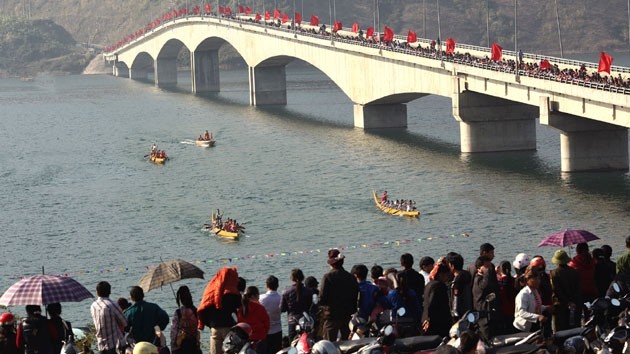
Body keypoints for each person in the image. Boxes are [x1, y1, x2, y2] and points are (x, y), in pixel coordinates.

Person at [198, 267, 242, 354]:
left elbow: (203, 308)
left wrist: (210, 324)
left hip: (215, 328)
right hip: (229, 328)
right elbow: (240, 310)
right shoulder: (233, 293)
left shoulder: (210, 291)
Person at [319, 248, 358, 341]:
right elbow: (355, 295)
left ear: (331, 263)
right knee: (347, 343)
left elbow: (322, 298)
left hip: (332, 315)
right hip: (347, 314)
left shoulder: (328, 277)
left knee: (329, 343)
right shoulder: (350, 277)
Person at [91, 281, 128, 354]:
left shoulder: (93, 306)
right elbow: (124, 322)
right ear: (109, 292)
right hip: (114, 344)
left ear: (97, 292)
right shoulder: (112, 305)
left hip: (101, 344)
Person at [550, 249, 581, 331]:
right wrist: (572, 301)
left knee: (561, 330)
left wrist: (567, 302)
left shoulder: (553, 273)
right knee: (574, 328)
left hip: (560, 305)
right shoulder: (574, 272)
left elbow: (556, 291)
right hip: (574, 304)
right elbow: (578, 289)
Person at [513, 268, 548, 335]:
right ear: (527, 280)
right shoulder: (524, 294)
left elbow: (535, 306)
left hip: (533, 325)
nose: (538, 281)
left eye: (538, 279)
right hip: (522, 328)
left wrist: (546, 307)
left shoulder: (535, 291)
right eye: (535, 279)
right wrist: (538, 317)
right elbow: (522, 312)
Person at [281, 269, 312, 339]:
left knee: (292, 344)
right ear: (303, 277)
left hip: (292, 321)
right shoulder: (308, 291)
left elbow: (282, 309)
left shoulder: (286, 292)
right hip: (305, 321)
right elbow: (310, 305)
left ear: (292, 278)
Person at [422, 264, 451, 337]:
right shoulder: (440, 286)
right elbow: (432, 303)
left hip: (426, 319)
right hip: (438, 322)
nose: (447, 278)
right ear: (441, 274)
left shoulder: (429, 284)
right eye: (447, 275)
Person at [171, 286, 201, 354]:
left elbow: (173, 332)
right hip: (194, 345)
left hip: (181, 347)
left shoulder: (178, 313)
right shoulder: (195, 311)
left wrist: (173, 346)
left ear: (180, 298)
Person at [259, 276, 282, 354]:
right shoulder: (280, 298)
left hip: (265, 331)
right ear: (277, 285)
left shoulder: (261, 298)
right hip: (278, 329)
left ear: (266, 285)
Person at [447, 253, 472, 323]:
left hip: (460, 314)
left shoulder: (457, 280)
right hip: (468, 310)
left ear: (451, 265)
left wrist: (454, 313)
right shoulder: (467, 275)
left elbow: (456, 298)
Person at [399, 253, 425, 318]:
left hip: (403, 307)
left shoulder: (399, 276)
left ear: (402, 264)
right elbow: (422, 290)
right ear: (413, 262)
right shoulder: (419, 276)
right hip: (417, 305)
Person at [496, 260, 516, 335]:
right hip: (513, 310)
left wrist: (495, 272)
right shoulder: (514, 280)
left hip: (503, 311)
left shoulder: (499, 282)